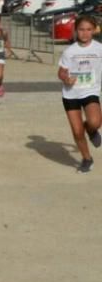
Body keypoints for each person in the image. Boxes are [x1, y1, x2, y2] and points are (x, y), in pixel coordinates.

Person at [57, 14, 102, 174]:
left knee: (95, 122)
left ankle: (90, 130)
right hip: (71, 94)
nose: (85, 33)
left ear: (94, 30)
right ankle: (87, 158)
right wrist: (66, 78)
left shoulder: (99, 49)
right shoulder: (70, 51)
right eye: (81, 29)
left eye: (89, 29)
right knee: (76, 131)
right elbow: (61, 72)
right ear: (76, 31)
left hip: (90, 90)